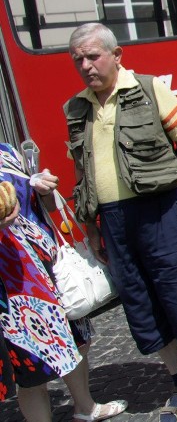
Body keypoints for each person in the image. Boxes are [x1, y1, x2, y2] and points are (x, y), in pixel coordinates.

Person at [64, 23, 177, 422]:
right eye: (78, 58)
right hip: (113, 223)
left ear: (117, 56)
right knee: (141, 304)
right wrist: (92, 228)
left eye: (92, 55)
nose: (85, 65)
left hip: (161, 212)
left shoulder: (149, 89)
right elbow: (83, 175)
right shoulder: (77, 108)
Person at [1, 143, 128, 422]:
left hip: (49, 266)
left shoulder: (7, 152)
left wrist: (43, 190)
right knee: (33, 366)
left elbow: (39, 206)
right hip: (13, 284)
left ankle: (85, 407)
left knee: (75, 338)